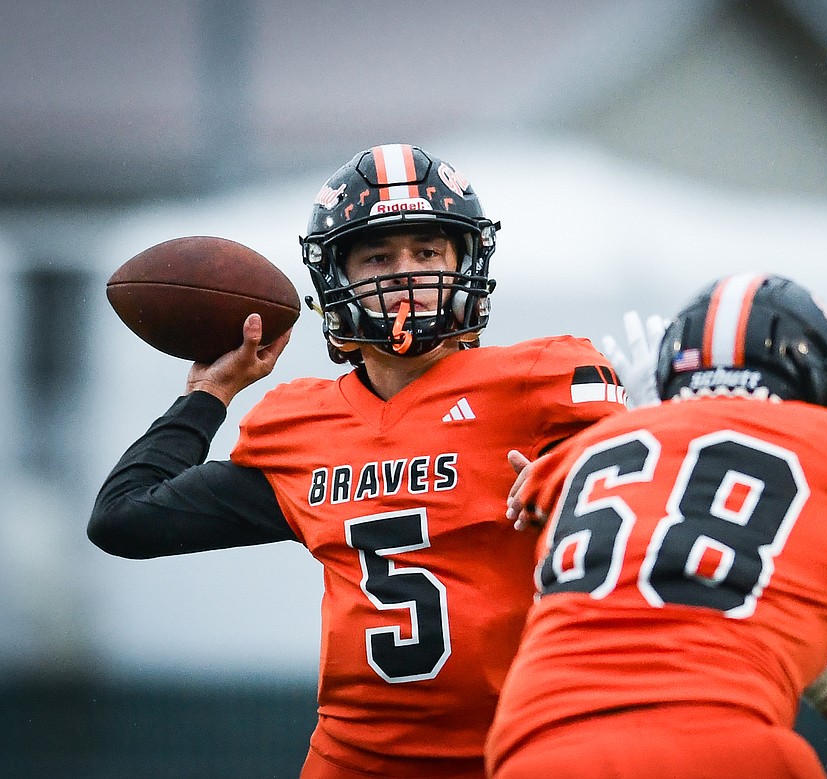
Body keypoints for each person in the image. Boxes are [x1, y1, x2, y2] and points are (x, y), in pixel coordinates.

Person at [88, 143, 631, 779]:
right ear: (336, 280)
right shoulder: (301, 427)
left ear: (467, 262)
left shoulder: (541, 384)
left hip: (518, 752)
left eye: (428, 252)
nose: (406, 274)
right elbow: (124, 519)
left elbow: (658, 528)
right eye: (378, 256)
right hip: (355, 761)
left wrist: (583, 495)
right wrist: (208, 396)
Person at [485, 273, 827, 779]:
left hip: (535, 743)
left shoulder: (582, 455)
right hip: (722, 742)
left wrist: (817, 659)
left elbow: (646, 580)